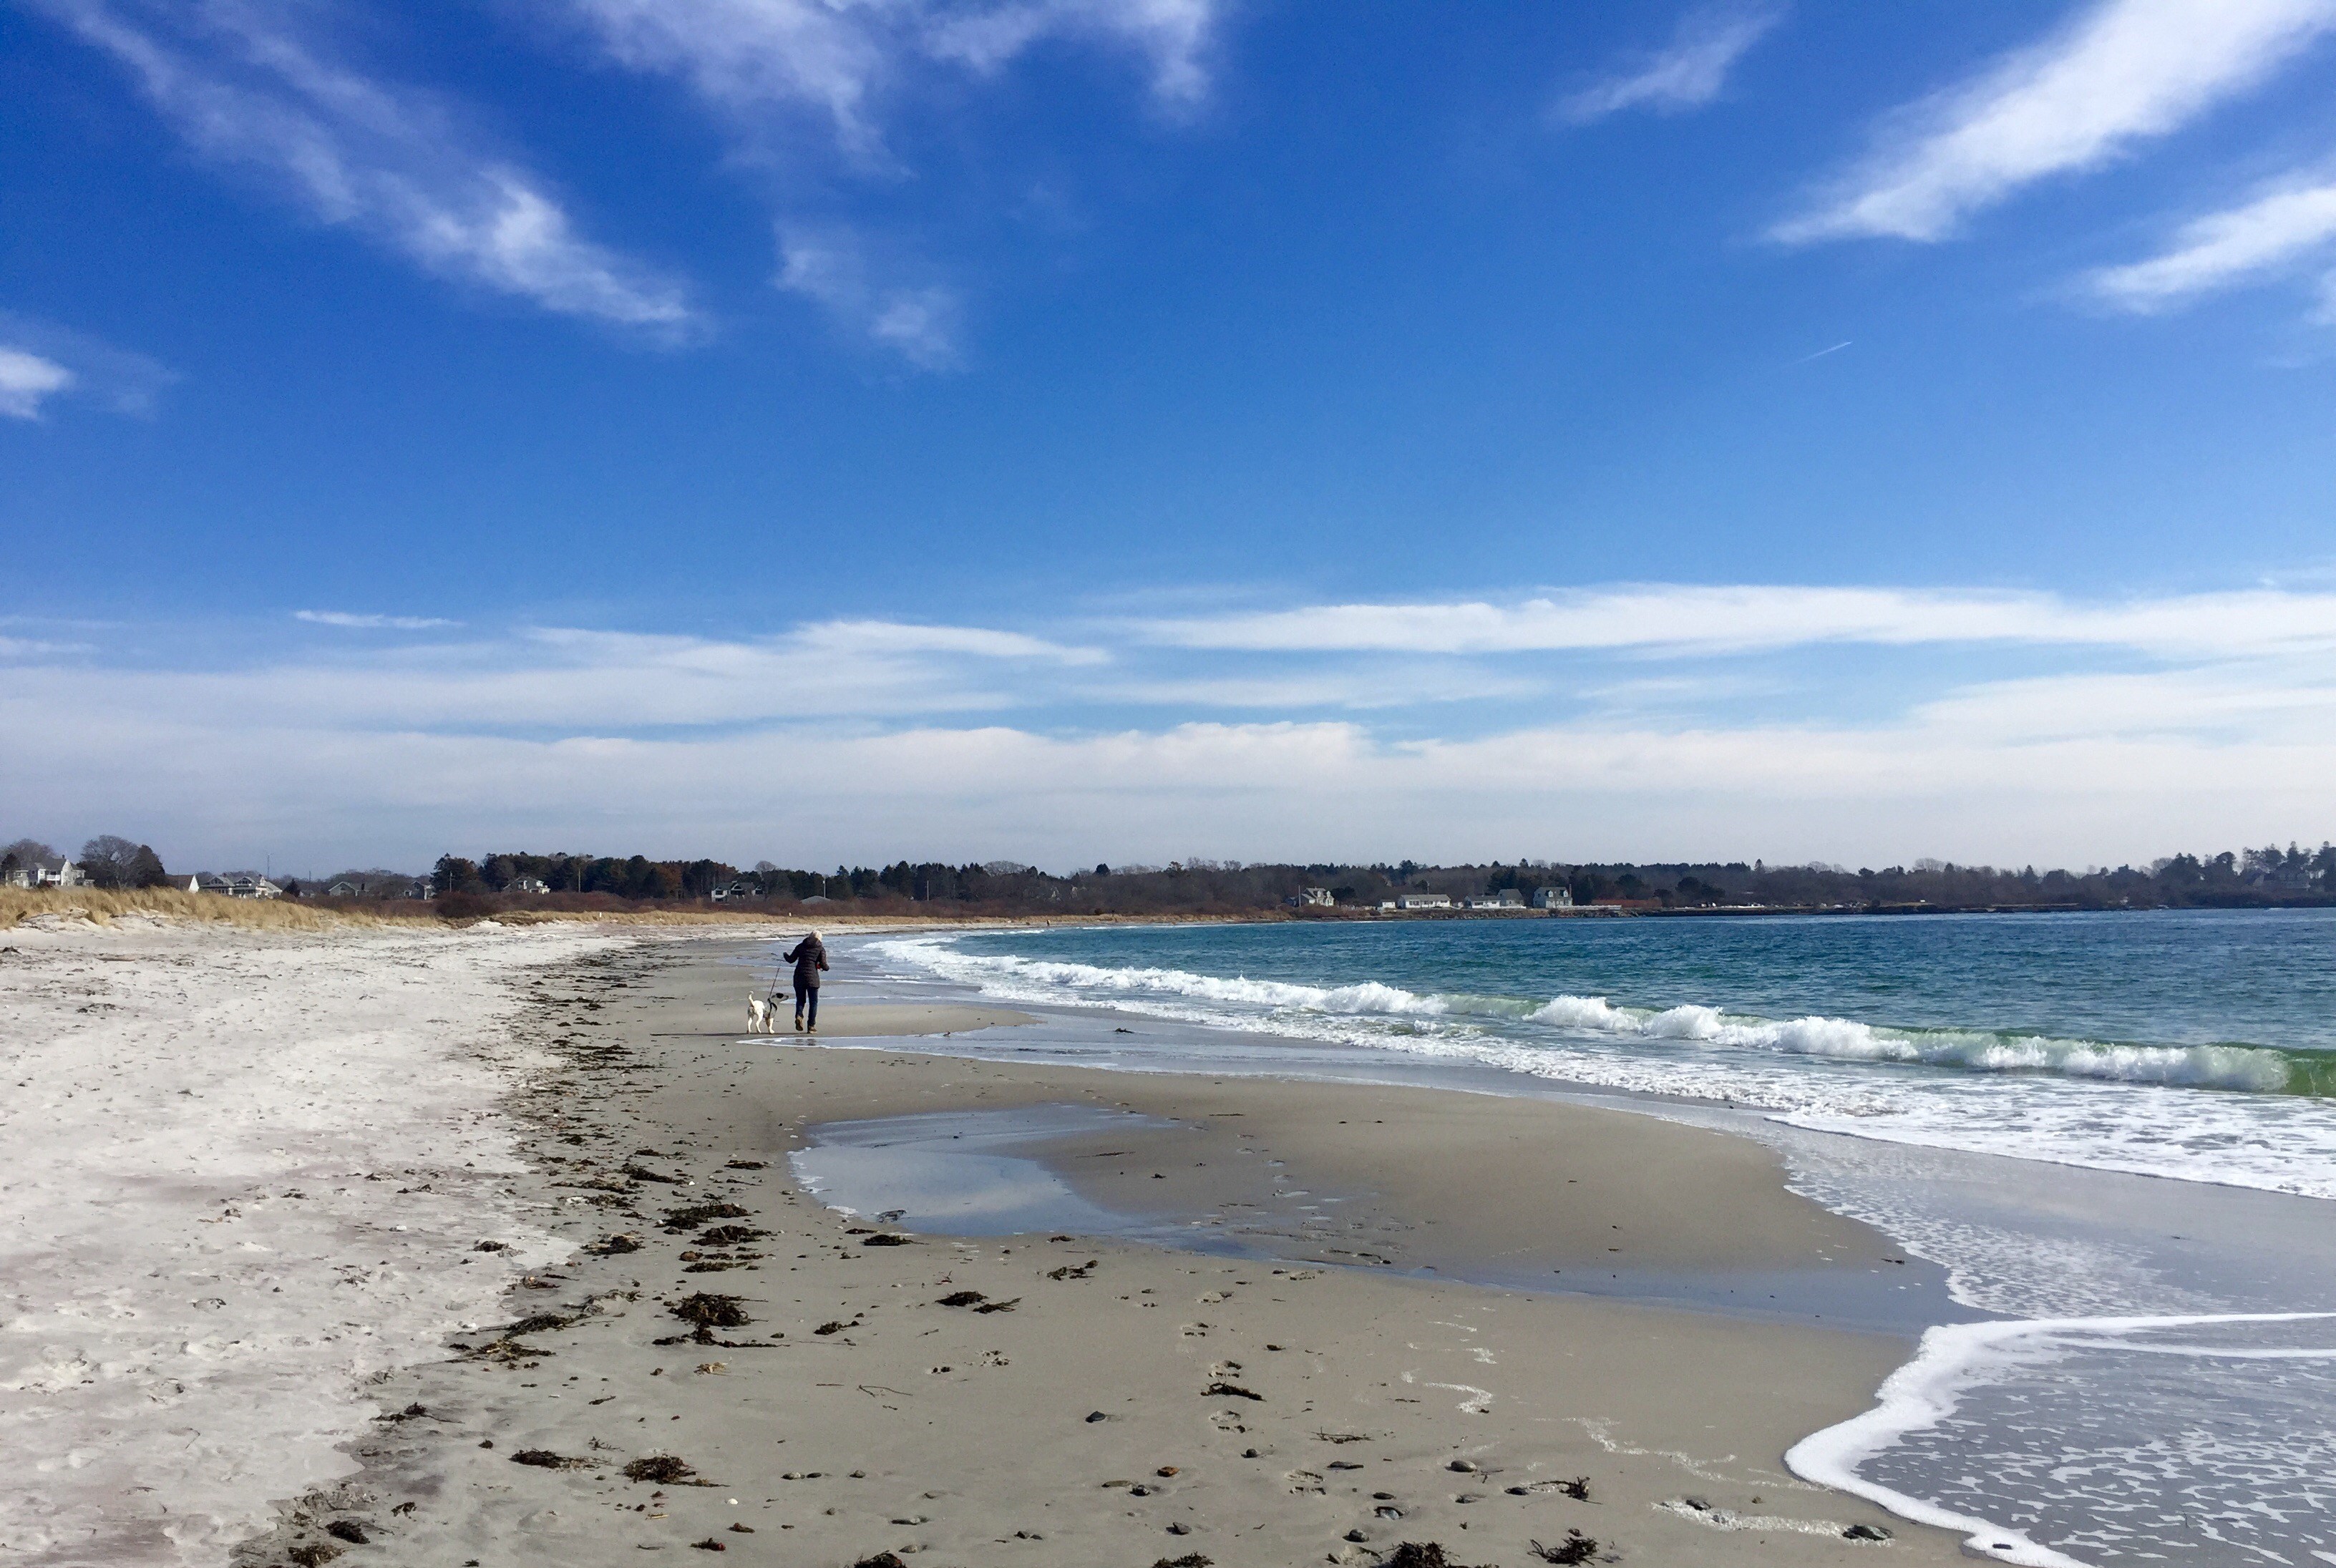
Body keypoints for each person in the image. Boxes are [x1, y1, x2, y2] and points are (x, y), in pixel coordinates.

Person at [782, 930, 828, 1032]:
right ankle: (811, 1026)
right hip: (812, 978)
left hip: (799, 976)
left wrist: (785, 954)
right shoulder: (820, 949)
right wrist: (824, 967)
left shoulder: (800, 946)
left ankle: (799, 1016)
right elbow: (824, 965)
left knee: (800, 1000)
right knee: (813, 1002)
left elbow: (791, 960)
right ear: (820, 938)